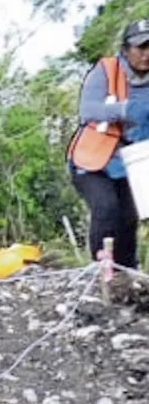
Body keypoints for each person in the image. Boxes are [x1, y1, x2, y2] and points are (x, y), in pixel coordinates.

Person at [67, 19, 149, 270]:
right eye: (141, 47)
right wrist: (124, 110)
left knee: (129, 219)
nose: (147, 54)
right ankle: (100, 270)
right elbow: (87, 110)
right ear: (126, 50)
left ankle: (127, 274)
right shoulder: (106, 70)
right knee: (106, 209)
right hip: (92, 160)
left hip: (133, 162)